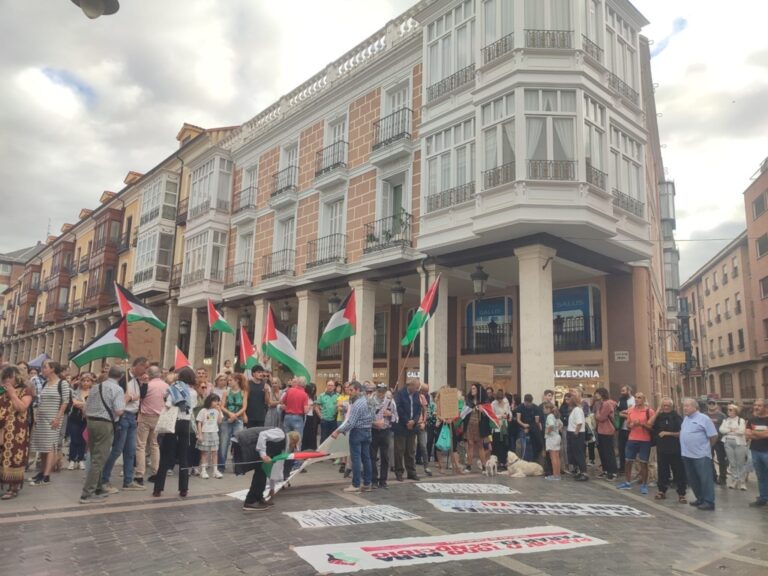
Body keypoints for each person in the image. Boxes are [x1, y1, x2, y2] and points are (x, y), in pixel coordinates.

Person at [102, 357, 148, 493]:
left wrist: (144, 383)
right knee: (117, 449)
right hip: (123, 416)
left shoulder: (136, 380)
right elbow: (118, 399)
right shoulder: (124, 378)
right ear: (138, 366)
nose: (146, 371)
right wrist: (128, 398)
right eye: (145, 367)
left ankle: (128, 480)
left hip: (132, 417)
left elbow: (142, 395)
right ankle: (104, 479)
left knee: (130, 451)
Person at [79, 366, 125, 504]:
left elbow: (86, 407)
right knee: (99, 459)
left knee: (95, 455)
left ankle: (98, 488)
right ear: (121, 376)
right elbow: (118, 411)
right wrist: (126, 401)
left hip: (91, 422)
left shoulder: (95, 387)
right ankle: (87, 493)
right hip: (105, 424)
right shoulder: (117, 389)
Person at [153, 366, 195, 498]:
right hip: (185, 423)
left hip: (173, 422)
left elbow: (168, 404)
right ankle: (184, 489)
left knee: (166, 455)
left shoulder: (173, 388)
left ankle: (158, 489)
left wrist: (167, 399)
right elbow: (191, 408)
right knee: (183, 456)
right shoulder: (193, 392)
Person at [29, 360, 70, 486]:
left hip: (53, 419)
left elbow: (65, 402)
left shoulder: (62, 383)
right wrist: (37, 413)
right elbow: (41, 400)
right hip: (42, 418)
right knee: (42, 446)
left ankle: (47, 475)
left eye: (45, 367)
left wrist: (58, 418)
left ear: (52, 369)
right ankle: (42, 472)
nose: (43, 369)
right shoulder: (46, 382)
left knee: (50, 446)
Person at [238, 428, 300, 511]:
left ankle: (259, 498)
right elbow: (263, 435)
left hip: (258, 451)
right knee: (260, 476)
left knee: (262, 474)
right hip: (248, 444)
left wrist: (272, 487)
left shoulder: (281, 447)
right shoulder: (280, 434)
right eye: (294, 445)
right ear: (293, 441)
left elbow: (276, 469)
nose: (292, 448)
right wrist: (263, 454)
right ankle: (250, 501)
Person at [332, 381, 373, 492]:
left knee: (356, 459)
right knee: (366, 458)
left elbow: (351, 422)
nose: (349, 392)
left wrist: (338, 431)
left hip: (358, 432)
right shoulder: (367, 401)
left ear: (357, 390)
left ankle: (355, 484)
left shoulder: (357, 404)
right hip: (367, 431)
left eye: (351, 390)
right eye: (348, 390)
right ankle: (367, 483)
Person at [0, 366, 34, 499]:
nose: (7, 380)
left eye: (10, 377)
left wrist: (13, 394)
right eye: (5, 377)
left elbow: (22, 407)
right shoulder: (1, 390)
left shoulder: (26, 390)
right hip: (2, 429)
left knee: (15, 456)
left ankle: (13, 487)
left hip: (16, 430)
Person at [680, 397, 719, 511]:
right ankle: (700, 498)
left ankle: (709, 501)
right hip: (687, 454)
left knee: (705, 479)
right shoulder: (686, 419)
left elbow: (713, 436)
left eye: (687, 406)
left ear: (695, 407)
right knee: (693, 479)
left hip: (701, 455)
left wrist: (706, 448)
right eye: (684, 406)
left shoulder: (704, 418)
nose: (684, 408)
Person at [135, 366, 169, 485]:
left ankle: (139, 474)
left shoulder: (147, 385)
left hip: (145, 416)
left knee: (141, 445)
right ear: (159, 374)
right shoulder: (166, 386)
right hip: (159, 417)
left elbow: (140, 398)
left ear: (149, 374)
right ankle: (155, 472)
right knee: (155, 445)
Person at [649, 397, 687, 502]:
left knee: (679, 471)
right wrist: (657, 412)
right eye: (664, 405)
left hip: (675, 448)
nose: (665, 407)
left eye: (668, 405)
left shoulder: (677, 417)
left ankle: (681, 493)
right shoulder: (659, 417)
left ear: (672, 406)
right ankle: (662, 491)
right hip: (662, 448)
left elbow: (682, 433)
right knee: (662, 471)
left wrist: (668, 433)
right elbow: (649, 424)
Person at [616, 391, 654, 494]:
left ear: (643, 399)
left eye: (640, 398)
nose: (637, 399)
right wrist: (631, 425)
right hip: (632, 439)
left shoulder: (649, 411)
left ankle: (644, 484)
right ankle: (627, 482)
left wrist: (641, 424)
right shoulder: (631, 411)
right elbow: (628, 425)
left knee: (643, 463)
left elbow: (652, 427)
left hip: (645, 440)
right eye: (636, 397)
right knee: (628, 461)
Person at [393, 379, 421, 482]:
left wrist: (414, 421)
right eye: (416, 387)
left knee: (411, 451)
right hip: (401, 426)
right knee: (399, 450)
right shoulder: (400, 394)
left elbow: (418, 409)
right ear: (410, 385)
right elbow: (398, 408)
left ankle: (411, 472)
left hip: (412, 427)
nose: (417, 390)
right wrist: (407, 421)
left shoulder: (416, 394)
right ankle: (399, 472)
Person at [370, 382, 397, 488]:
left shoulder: (390, 402)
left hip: (385, 431)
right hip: (373, 430)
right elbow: (366, 417)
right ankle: (374, 480)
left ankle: (383, 480)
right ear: (376, 391)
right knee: (372, 456)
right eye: (379, 391)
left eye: (383, 392)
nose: (381, 394)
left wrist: (390, 415)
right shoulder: (370, 402)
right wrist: (374, 422)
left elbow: (396, 418)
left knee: (385, 456)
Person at [219, 373, 247, 474]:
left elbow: (244, 407)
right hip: (227, 419)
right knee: (224, 443)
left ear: (237, 381)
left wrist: (235, 416)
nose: (229, 382)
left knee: (238, 443)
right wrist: (230, 414)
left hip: (238, 420)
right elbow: (222, 406)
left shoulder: (243, 392)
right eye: (228, 380)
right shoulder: (226, 392)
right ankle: (221, 466)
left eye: (231, 380)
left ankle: (238, 466)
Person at [66, 372, 91, 471]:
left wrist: (82, 404)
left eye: (88, 381)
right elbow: (75, 403)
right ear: (80, 382)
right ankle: (72, 459)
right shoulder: (75, 391)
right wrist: (85, 404)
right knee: (74, 439)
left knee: (83, 440)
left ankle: (81, 459)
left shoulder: (93, 392)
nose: (85, 383)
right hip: (75, 418)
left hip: (86, 419)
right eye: (84, 381)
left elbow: (92, 404)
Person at [720, 404, 747, 490]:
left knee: (740, 463)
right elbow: (721, 430)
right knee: (732, 463)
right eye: (728, 410)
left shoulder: (741, 420)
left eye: (731, 410)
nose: (729, 411)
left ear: (736, 411)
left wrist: (728, 430)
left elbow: (742, 431)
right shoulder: (725, 420)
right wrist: (732, 430)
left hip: (739, 443)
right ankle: (734, 480)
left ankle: (742, 482)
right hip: (728, 442)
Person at [746, 398, 768, 507]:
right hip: (755, 451)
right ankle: (763, 498)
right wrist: (760, 434)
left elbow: (766, 435)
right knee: (761, 476)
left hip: (766, 451)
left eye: (759, 405)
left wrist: (754, 434)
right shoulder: (752, 419)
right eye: (755, 405)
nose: (756, 407)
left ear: (766, 407)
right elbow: (747, 434)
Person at [592, 387, 617, 480]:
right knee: (602, 452)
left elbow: (601, 417)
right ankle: (606, 470)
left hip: (607, 431)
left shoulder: (606, 404)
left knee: (608, 452)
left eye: (597, 393)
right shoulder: (600, 404)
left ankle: (612, 472)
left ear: (602, 394)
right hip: (601, 430)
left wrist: (597, 410)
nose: (595, 395)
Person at [196, 393, 223, 479]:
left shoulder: (217, 411)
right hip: (205, 432)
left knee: (215, 452)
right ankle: (203, 470)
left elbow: (219, 422)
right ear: (210, 401)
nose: (216, 403)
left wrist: (219, 411)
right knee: (204, 452)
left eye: (217, 401)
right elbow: (199, 422)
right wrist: (200, 434)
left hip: (214, 432)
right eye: (214, 401)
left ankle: (215, 470)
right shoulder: (203, 411)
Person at [566, 391, 589, 481]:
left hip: (577, 434)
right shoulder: (574, 409)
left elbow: (579, 423)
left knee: (579, 454)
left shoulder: (578, 410)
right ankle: (580, 472)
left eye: (570, 399)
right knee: (575, 454)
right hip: (573, 433)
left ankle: (584, 473)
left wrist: (576, 433)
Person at [706, 399, 728, 486]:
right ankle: (713, 476)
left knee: (721, 459)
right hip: (707, 441)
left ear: (716, 405)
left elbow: (726, 427)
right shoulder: (704, 415)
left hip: (719, 441)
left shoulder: (722, 415)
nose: (711, 404)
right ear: (707, 405)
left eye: (713, 403)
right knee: (709, 459)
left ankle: (723, 478)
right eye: (709, 403)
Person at [281, 376, 309, 443]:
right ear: (305, 384)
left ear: (297, 383)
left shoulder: (289, 390)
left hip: (287, 417)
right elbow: (305, 411)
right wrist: (309, 407)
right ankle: (296, 453)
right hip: (298, 418)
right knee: (297, 440)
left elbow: (282, 401)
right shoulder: (305, 395)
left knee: (287, 439)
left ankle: (287, 452)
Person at [515, 393, 540, 462]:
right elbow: (518, 419)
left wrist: (530, 428)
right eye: (526, 403)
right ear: (524, 401)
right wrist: (524, 425)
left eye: (529, 403)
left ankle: (532, 460)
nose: (528, 405)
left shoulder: (536, 408)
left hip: (533, 429)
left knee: (533, 446)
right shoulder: (520, 407)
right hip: (522, 428)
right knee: (523, 446)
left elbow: (536, 421)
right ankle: (522, 460)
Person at [415, 382, 433, 477]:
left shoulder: (423, 397)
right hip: (412, 424)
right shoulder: (414, 396)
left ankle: (426, 466)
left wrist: (424, 422)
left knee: (423, 446)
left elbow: (425, 410)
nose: (425, 392)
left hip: (420, 424)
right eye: (424, 390)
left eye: (427, 391)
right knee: (409, 447)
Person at [491, 389, 511, 471]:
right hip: (497, 427)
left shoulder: (506, 402)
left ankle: (504, 462)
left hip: (504, 426)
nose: (500, 401)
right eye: (498, 399)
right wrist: (500, 416)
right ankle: (498, 462)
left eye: (501, 399)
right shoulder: (493, 404)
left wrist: (508, 415)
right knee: (497, 445)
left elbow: (509, 412)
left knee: (504, 445)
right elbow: (492, 415)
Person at [617, 385, 636, 473]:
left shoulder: (634, 400)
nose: (622, 392)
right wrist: (625, 414)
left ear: (629, 391)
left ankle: (631, 468)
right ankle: (622, 467)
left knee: (631, 449)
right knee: (621, 449)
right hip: (622, 428)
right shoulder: (621, 400)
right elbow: (617, 412)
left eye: (623, 391)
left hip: (631, 429)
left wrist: (624, 414)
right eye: (621, 391)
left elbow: (635, 414)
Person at [543, 401, 562, 481]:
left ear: (548, 409)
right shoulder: (555, 416)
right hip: (557, 437)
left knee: (553, 457)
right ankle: (557, 474)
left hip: (552, 438)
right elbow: (560, 425)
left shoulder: (549, 416)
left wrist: (547, 432)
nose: (543, 410)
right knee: (557, 456)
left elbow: (551, 425)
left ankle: (554, 475)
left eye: (544, 408)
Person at [316, 380, 339, 444]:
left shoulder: (338, 396)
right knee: (323, 437)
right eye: (329, 385)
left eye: (331, 385)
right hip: (324, 420)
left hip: (334, 420)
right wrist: (320, 416)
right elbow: (316, 407)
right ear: (326, 386)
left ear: (334, 387)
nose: (330, 387)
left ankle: (331, 453)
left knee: (333, 438)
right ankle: (322, 453)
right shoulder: (321, 395)